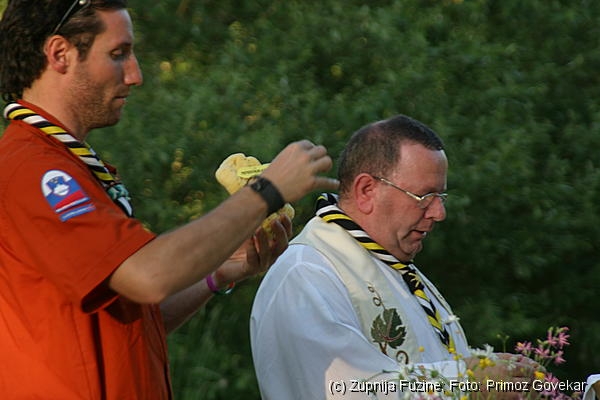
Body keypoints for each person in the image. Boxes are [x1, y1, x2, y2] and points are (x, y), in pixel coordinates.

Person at [0, 1, 338, 398]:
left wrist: (218, 272)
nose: (135, 75)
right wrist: (267, 191)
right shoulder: (36, 170)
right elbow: (148, 276)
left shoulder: (66, 164)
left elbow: (132, 321)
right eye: (118, 54)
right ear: (60, 54)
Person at [250, 115, 541, 399]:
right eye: (425, 197)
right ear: (366, 190)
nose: (439, 213)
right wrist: (465, 381)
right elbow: (344, 390)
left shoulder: (399, 271)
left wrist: (497, 378)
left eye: (441, 197)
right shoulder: (306, 273)